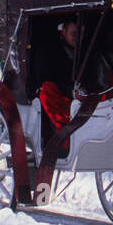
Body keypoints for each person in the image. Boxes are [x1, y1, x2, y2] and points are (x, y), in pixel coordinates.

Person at [35, 16, 80, 145]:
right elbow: (47, 77)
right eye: (73, 33)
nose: (77, 37)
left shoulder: (83, 50)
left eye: (80, 33)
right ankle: (64, 141)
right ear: (63, 32)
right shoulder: (51, 51)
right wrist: (71, 91)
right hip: (58, 95)